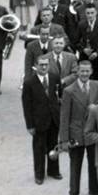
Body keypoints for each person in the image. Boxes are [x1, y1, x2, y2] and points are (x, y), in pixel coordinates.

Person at [59, 61, 98, 195]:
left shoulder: (97, 85)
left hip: (92, 133)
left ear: (91, 71)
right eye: (82, 71)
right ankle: (73, 194)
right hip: (75, 135)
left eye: (87, 71)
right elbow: (64, 117)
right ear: (77, 72)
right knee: (75, 165)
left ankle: (94, 189)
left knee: (94, 163)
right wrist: (63, 140)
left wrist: (96, 107)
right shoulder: (69, 90)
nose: (84, 74)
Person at [22, 55, 62, 184]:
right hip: (39, 122)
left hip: (53, 119)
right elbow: (27, 106)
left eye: (46, 64)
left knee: (53, 145)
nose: (44, 67)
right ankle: (39, 174)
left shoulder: (55, 77)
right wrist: (30, 125)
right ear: (36, 66)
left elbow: (59, 97)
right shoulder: (29, 82)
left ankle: (53, 171)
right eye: (41, 65)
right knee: (39, 148)